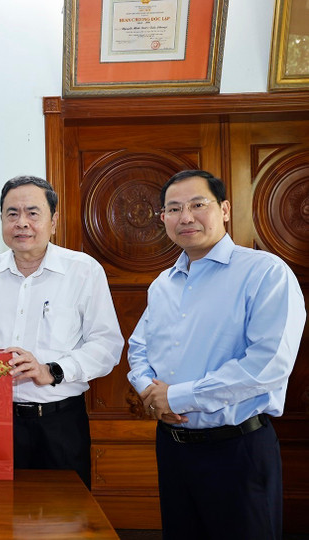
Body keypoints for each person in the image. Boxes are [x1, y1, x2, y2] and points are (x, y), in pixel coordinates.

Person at [128, 170, 305, 539]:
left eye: (198, 204)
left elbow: (268, 365)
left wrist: (176, 397)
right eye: (174, 209)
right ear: (163, 218)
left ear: (224, 209)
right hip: (173, 447)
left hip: (237, 450)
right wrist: (150, 392)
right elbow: (140, 347)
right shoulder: (163, 284)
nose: (186, 217)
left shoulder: (265, 272)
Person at [0, 175, 123, 488]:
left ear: (54, 221)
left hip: (59, 424)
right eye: (12, 213)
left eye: (33, 213)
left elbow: (106, 346)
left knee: (64, 512)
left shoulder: (83, 271)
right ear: (1, 220)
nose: (22, 222)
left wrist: (51, 370)